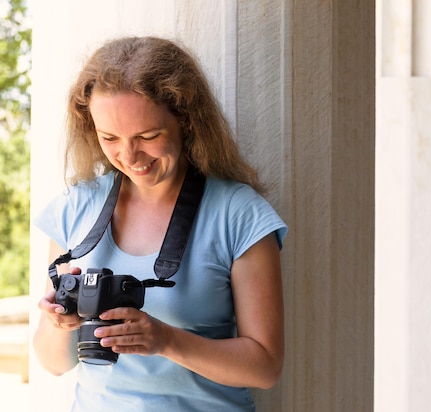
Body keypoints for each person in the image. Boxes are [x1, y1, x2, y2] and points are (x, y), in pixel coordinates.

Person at [33, 36, 287, 411]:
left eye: (148, 136)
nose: (129, 156)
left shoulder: (239, 214)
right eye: (110, 138)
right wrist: (60, 324)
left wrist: (166, 340)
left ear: (187, 122)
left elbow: (265, 366)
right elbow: (54, 364)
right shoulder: (76, 207)